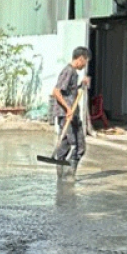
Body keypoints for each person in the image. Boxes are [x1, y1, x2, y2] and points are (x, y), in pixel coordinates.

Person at [49, 47, 91, 175]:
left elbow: (69, 92)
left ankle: (65, 174)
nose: (85, 65)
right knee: (77, 145)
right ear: (80, 59)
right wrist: (68, 109)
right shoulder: (69, 71)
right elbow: (56, 91)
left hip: (71, 113)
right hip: (66, 114)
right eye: (86, 61)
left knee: (67, 144)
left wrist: (81, 85)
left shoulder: (73, 73)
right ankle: (66, 174)